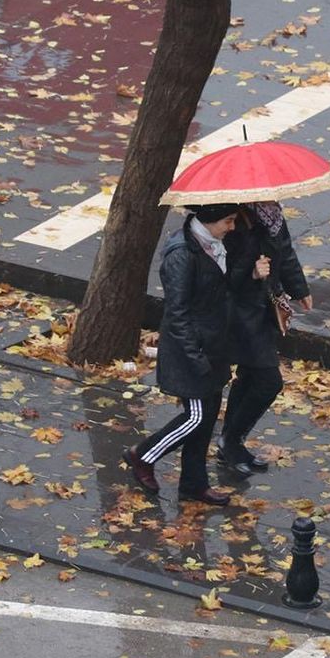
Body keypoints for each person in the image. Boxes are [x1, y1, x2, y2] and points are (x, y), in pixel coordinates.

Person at [122, 203, 263, 505]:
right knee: (196, 418)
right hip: (192, 352)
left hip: (213, 348)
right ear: (210, 219)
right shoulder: (183, 255)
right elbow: (177, 313)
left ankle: (194, 484)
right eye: (228, 221)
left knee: (207, 418)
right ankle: (143, 455)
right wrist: (195, 355)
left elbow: (220, 289)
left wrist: (251, 273)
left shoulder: (213, 245)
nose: (232, 227)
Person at [217, 201, 312, 478]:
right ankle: (231, 440)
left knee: (249, 376)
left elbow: (285, 250)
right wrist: (252, 272)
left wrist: (299, 288)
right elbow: (222, 275)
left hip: (262, 310)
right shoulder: (233, 221)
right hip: (241, 316)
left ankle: (229, 441)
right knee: (269, 381)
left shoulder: (272, 215)